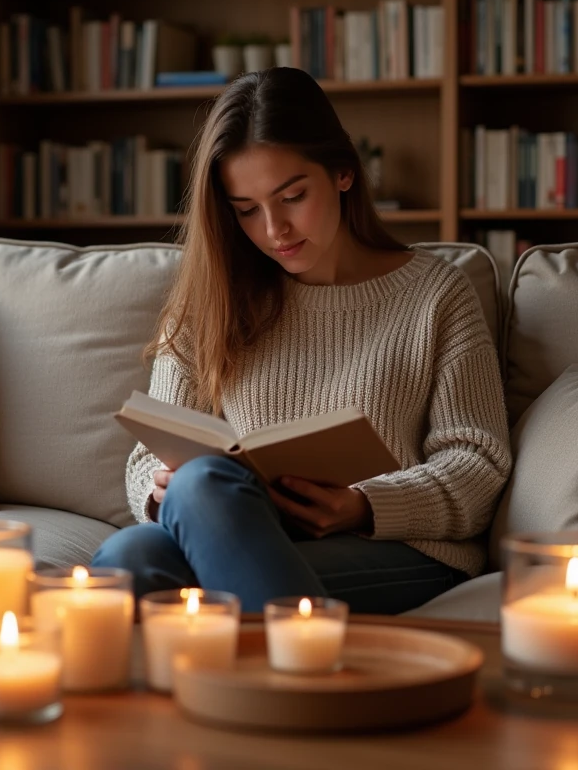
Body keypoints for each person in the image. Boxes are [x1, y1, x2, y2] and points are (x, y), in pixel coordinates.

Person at [92, 67, 512, 615]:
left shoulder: (436, 294)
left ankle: (293, 685)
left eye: (291, 197)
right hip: (242, 527)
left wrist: (363, 505)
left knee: (164, 533)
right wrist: (160, 488)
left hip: (392, 547)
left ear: (342, 172)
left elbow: (477, 461)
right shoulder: (212, 297)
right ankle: (296, 668)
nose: (274, 230)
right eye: (246, 210)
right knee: (132, 553)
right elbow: (149, 454)